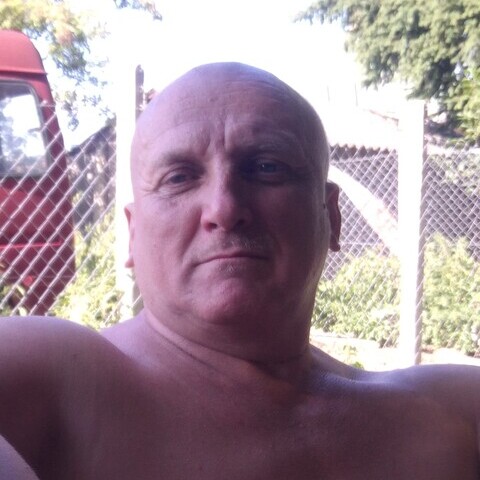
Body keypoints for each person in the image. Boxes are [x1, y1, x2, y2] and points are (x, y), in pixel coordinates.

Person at [0, 62, 479, 480]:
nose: (224, 208)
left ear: (331, 216)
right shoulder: (54, 378)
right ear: (133, 233)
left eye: (267, 167)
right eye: (179, 177)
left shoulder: (455, 415)